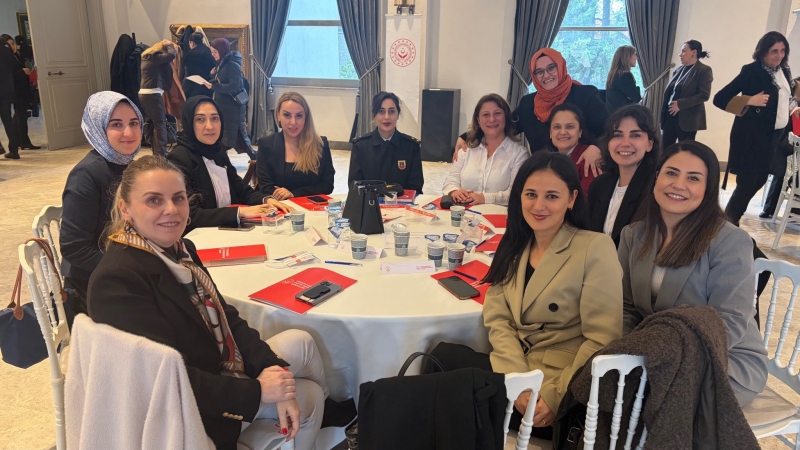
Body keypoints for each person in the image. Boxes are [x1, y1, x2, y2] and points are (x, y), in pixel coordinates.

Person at [87, 155, 335, 450]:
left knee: (302, 343)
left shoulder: (181, 249)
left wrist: (271, 370)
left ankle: (327, 415)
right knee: (308, 397)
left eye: (178, 198)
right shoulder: (117, 280)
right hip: (181, 415)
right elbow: (161, 381)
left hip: (213, 369)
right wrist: (259, 392)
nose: (171, 209)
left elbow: (226, 316)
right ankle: (315, 420)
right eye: (154, 200)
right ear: (125, 209)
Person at [434, 152, 622, 435]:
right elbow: (498, 317)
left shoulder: (594, 247)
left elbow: (602, 339)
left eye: (552, 196)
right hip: (519, 372)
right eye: (531, 194)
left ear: (571, 199)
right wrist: (518, 380)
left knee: (442, 397)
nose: (539, 206)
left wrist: (554, 395)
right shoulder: (517, 243)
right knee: (439, 359)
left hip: (559, 392)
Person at [617, 141, 768, 406]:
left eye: (693, 178)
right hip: (654, 354)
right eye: (671, 173)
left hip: (725, 360)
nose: (679, 184)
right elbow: (626, 307)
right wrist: (623, 350)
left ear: (708, 189)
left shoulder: (730, 241)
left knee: (650, 401)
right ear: (657, 178)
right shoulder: (634, 234)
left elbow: (730, 322)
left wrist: (665, 355)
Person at [455, 48, 607, 177]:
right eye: (539, 72)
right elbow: (502, 125)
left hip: (583, 168)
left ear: (561, 66)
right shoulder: (528, 104)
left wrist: (596, 147)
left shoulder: (585, 95)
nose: (546, 75)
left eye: (551, 68)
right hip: (543, 172)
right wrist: (465, 137)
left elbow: (610, 129)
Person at [61, 91, 143, 314]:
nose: (129, 132)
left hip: (121, 267)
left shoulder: (128, 165)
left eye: (134, 123)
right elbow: (74, 247)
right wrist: (127, 270)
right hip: (92, 283)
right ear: (98, 128)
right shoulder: (86, 175)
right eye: (116, 124)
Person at [167, 96, 292, 233]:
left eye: (215, 118)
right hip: (201, 235)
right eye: (200, 119)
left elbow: (240, 189)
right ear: (188, 123)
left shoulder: (218, 151)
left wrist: (266, 199)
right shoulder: (179, 159)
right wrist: (240, 212)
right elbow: (190, 214)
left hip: (226, 229)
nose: (210, 126)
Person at [714, 31, 798, 225]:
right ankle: (728, 223)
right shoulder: (751, 71)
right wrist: (749, 100)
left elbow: (785, 96)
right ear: (763, 52)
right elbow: (720, 98)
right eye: (774, 51)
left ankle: (729, 222)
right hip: (752, 137)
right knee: (747, 182)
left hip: (774, 137)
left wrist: (793, 107)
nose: (779, 55)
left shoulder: (784, 71)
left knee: (759, 180)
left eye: (782, 51)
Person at [588, 104, 659, 246]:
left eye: (635, 135)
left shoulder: (656, 188)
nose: (625, 143)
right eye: (618, 135)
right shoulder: (599, 184)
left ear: (649, 144)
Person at [441, 94, 528, 206]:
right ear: (478, 120)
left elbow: (516, 194)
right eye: (486, 114)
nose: (492, 119)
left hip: (499, 215)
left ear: (506, 117)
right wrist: (454, 191)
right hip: (464, 213)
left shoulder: (519, 154)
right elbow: (451, 180)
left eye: (497, 113)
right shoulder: (466, 150)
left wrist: (484, 198)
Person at [256, 92, 334, 200]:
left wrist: (294, 194)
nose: (293, 122)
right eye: (287, 115)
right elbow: (265, 186)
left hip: (309, 206)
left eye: (299, 116)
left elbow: (327, 185)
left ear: (306, 117)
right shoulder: (265, 144)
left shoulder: (320, 144)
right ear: (278, 116)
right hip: (278, 205)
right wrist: (282, 195)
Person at [349, 91, 424, 192]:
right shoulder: (361, 146)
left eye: (391, 111)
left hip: (402, 201)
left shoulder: (411, 147)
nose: (387, 117)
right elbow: (354, 186)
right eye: (381, 111)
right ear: (374, 115)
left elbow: (416, 188)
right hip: (370, 201)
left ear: (398, 115)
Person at [204, 38, 255, 160]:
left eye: (215, 52)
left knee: (234, 137)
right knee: (229, 137)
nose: (213, 55)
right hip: (226, 106)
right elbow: (224, 80)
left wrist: (214, 86)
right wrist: (212, 76)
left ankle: (256, 159)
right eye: (212, 52)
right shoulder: (223, 63)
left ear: (222, 50)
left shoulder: (232, 64)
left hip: (232, 108)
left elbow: (234, 87)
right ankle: (223, 160)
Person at [661, 40, 713, 147]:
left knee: (685, 150)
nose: (680, 54)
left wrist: (680, 104)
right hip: (670, 116)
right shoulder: (678, 70)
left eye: (683, 51)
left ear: (694, 52)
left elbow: (704, 95)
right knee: (665, 149)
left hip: (687, 119)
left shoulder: (703, 70)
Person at [547, 103, 599, 195]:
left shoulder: (589, 160)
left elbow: (586, 199)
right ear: (550, 133)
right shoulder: (549, 160)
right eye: (557, 127)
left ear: (580, 132)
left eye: (569, 126)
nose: (563, 132)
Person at [138, 39, 176, 157]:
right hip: (152, 93)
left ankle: (157, 152)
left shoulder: (148, 56)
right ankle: (162, 154)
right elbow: (171, 55)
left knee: (156, 123)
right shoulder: (155, 56)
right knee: (160, 123)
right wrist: (169, 45)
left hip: (146, 93)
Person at [2, 34, 40, 152]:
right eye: (9, 44)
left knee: (21, 116)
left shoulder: (16, 56)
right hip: (14, 91)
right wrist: (22, 71)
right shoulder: (6, 58)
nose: (12, 47)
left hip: (21, 90)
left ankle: (22, 142)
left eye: (13, 43)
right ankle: (18, 143)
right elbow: (8, 75)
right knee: (17, 117)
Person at [605, 45, 641, 113]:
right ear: (627, 57)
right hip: (623, 114)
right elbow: (637, 98)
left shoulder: (613, 75)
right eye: (635, 55)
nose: (637, 58)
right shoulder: (625, 76)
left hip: (614, 114)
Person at [0, 36, 19, 158]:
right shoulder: (6, 48)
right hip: (7, 89)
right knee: (8, 120)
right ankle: (14, 150)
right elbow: (13, 66)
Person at [182, 32, 215, 99]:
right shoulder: (209, 50)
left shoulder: (190, 55)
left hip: (193, 87)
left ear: (192, 43)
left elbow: (188, 73)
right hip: (208, 84)